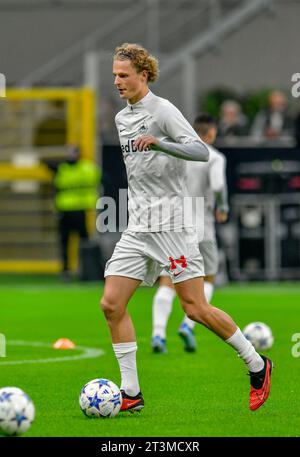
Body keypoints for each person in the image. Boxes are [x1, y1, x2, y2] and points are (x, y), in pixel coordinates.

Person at [100, 43, 273, 413]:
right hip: (138, 227)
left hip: (173, 226)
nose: (117, 81)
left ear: (143, 75)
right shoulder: (121, 118)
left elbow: (200, 152)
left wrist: (161, 144)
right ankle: (131, 393)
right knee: (111, 304)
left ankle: (257, 365)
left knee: (195, 308)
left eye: (123, 75)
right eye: (114, 75)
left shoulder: (163, 111)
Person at [151, 114, 229, 354]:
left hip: (175, 226)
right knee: (208, 278)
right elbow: (217, 185)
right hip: (202, 226)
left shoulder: (178, 154)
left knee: (168, 280)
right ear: (212, 132)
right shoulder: (214, 156)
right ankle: (188, 324)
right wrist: (223, 207)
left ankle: (158, 333)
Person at [54, 145, 101, 280]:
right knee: (68, 243)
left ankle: (84, 270)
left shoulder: (63, 169)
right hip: (67, 210)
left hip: (79, 210)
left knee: (82, 243)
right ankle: (68, 271)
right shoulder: (87, 168)